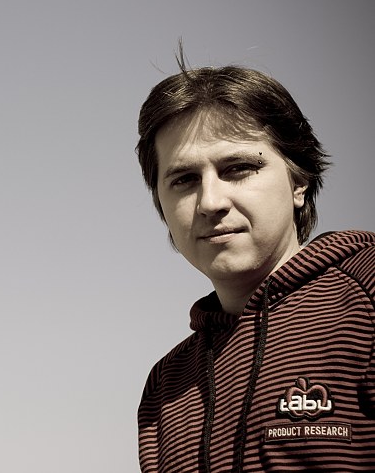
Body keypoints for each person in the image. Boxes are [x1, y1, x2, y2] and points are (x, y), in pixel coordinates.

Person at [135, 55, 375, 472]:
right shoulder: (166, 388)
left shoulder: (366, 294)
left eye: (238, 168)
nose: (210, 202)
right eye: (184, 180)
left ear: (298, 182)